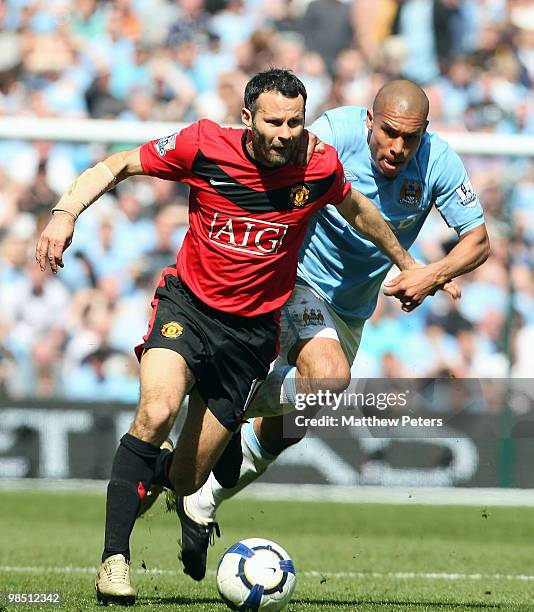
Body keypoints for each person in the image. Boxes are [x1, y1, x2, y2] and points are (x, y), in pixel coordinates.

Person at [35, 69, 416, 605]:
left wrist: (407, 264)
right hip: (187, 309)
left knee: (189, 480)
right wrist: (64, 213)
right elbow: (119, 164)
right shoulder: (204, 145)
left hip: (251, 338)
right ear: (248, 119)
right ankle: (114, 561)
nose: (286, 133)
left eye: (295, 121)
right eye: (274, 121)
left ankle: (151, 475)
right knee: (157, 410)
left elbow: (360, 211)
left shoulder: (319, 163)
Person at [172, 79, 490, 582]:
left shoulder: (440, 162)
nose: (397, 147)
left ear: (425, 133)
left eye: (410, 138)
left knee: (301, 416)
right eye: (389, 133)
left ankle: (203, 501)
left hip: (352, 308)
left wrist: (432, 274)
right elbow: (287, 165)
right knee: (330, 376)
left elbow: (478, 242)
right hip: (295, 276)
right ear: (370, 120)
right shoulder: (335, 131)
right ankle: (222, 411)